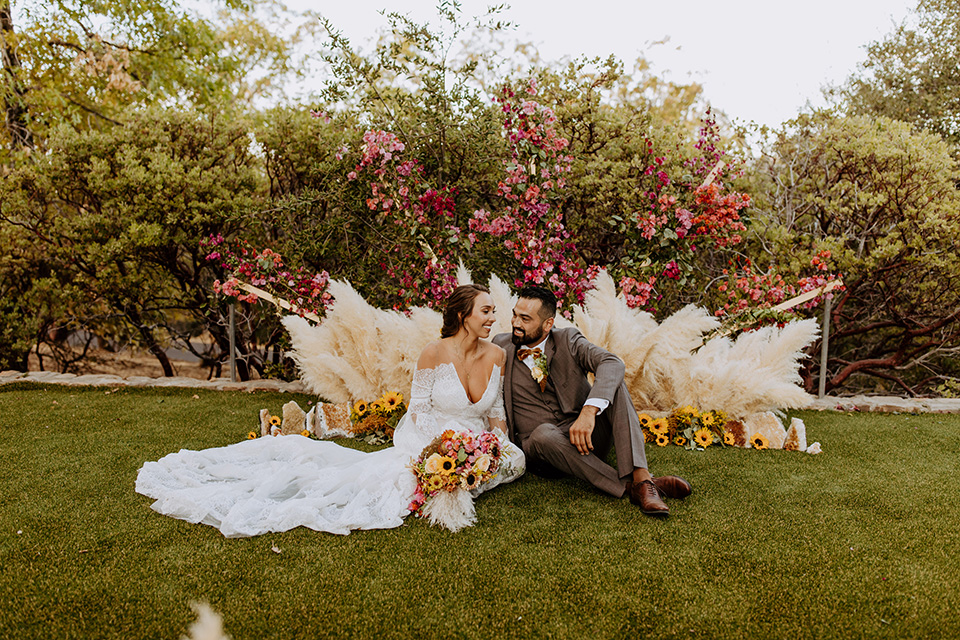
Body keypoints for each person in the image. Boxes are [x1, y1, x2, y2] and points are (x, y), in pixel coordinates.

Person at [136, 284, 524, 537]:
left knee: (515, 461)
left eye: (493, 312)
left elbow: (495, 412)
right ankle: (449, 473)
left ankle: (465, 471)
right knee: (400, 484)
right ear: (462, 315)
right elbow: (419, 410)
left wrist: (497, 444)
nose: (494, 318)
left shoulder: (497, 354)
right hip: (431, 435)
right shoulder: (433, 353)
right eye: (486, 311)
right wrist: (436, 449)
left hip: (479, 437)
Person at [492, 285, 690, 516]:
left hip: (585, 437)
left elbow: (612, 362)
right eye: (515, 315)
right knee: (543, 434)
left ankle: (641, 476)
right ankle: (633, 488)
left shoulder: (567, 339)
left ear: (547, 324)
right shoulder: (500, 345)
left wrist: (588, 411)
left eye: (525, 319)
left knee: (614, 384)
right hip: (541, 449)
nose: (516, 323)